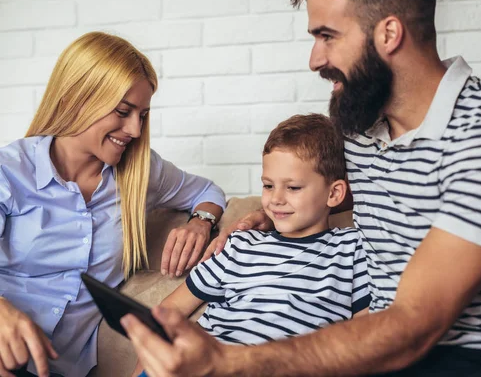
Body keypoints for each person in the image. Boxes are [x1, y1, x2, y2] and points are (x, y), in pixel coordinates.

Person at [122, 0, 481, 376]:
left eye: (327, 36)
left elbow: (415, 325)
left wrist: (229, 364)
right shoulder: (359, 136)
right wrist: (265, 214)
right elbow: (315, 192)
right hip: (387, 359)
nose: (315, 59)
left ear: (388, 34)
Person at [0, 32, 226, 377]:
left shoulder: (140, 173)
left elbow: (207, 191)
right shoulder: (10, 171)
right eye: (123, 111)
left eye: (143, 115)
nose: (135, 130)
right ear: (78, 98)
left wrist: (200, 221)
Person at [131, 114, 371, 375]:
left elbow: (366, 337)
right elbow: (170, 310)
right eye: (268, 185)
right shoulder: (240, 244)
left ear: (334, 193)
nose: (275, 199)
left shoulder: (352, 249)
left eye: (293, 188)